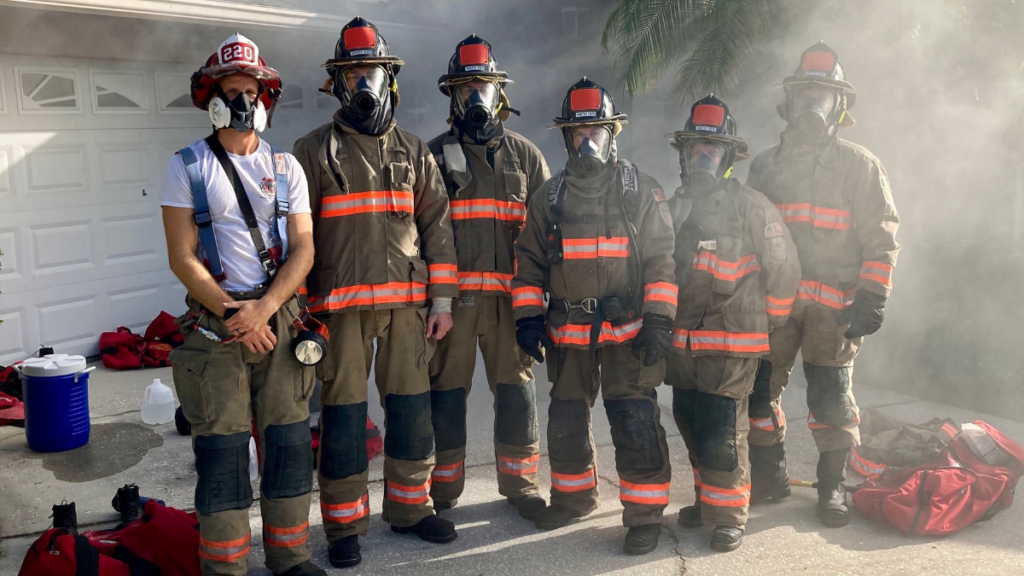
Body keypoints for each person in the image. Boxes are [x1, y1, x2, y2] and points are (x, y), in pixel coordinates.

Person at [290, 17, 459, 569]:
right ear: (338, 83)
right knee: (342, 420)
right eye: (355, 74)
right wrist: (299, 311)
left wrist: (441, 302)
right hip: (338, 313)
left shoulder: (414, 151)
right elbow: (295, 238)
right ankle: (343, 527)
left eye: (373, 74)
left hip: (408, 311)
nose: (365, 85)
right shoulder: (311, 152)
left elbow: (438, 231)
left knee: (411, 412)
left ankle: (411, 510)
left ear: (390, 79)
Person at [162, 34, 325, 576]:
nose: (241, 102)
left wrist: (267, 308)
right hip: (217, 326)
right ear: (210, 98)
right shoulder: (185, 167)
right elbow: (183, 258)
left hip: (278, 318)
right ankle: (226, 568)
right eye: (230, 90)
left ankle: (290, 558)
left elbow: (303, 249)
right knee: (224, 454)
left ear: (265, 98)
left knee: (287, 445)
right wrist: (238, 313)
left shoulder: (287, 167)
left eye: (250, 91)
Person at [512, 77, 677, 555]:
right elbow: (527, 265)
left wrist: (659, 319)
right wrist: (527, 318)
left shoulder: (640, 191)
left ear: (612, 135)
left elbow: (663, 260)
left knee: (633, 419)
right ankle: (573, 495)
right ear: (567, 138)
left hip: (627, 331)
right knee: (565, 416)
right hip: (568, 330)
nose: (588, 144)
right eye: (579, 135)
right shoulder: (549, 197)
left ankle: (644, 515)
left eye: (597, 134)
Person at [746, 42, 900, 527]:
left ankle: (831, 488)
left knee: (831, 400)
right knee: (757, 394)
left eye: (824, 94)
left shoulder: (861, 165)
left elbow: (882, 238)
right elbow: (748, 235)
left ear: (840, 106)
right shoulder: (766, 165)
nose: (814, 103)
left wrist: (873, 296)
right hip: (776, 307)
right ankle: (769, 478)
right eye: (806, 92)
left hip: (834, 312)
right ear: (790, 100)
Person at [664, 96, 800, 552]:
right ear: (684, 154)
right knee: (689, 420)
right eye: (696, 150)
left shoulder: (752, 207)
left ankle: (727, 517)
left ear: (728, 157)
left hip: (732, 347)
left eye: (713, 150)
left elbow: (784, 271)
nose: (703, 158)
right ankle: (708, 501)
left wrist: (769, 328)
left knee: (722, 431)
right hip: (683, 347)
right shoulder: (674, 207)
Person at [425, 34, 550, 520]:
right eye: (466, 88)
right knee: (446, 400)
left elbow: (545, 241)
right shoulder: (433, 158)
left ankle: (521, 486)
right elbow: (422, 237)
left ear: (501, 94)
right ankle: (443, 493)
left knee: (517, 396)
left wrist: (538, 310)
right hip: (452, 306)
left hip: (510, 308)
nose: (476, 98)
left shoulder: (526, 157)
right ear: (453, 96)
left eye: (484, 88)